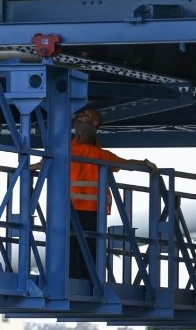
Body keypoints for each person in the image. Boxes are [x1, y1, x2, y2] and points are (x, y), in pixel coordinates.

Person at [34, 108, 158, 280]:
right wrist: (145, 164)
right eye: (80, 115)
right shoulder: (95, 154)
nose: (79, 117)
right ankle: (87, 282)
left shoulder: (71, 152)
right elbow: (125, 164)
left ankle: (73, 282)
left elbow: (43, 164)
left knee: (71, 248)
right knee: (88, 249)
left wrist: (26, 168)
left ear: (94, 125)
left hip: (74, 210)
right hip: (89, 211)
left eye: (86, 116)